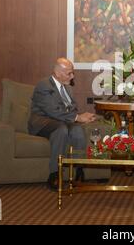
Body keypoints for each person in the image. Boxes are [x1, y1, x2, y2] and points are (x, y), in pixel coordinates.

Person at [28, 58, 96, 190]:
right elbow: (52, 111)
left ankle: (79, 170)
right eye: (69, 73)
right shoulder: (44, 85)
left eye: (72, 73)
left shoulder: (67, 88)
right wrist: (77, 117)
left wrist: (82, 117)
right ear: (58, 73)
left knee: (77, 131)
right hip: (43, 121)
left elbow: (72, 108)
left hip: (62, 120)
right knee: (61, 130)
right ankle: (54, 174)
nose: (72, 76)